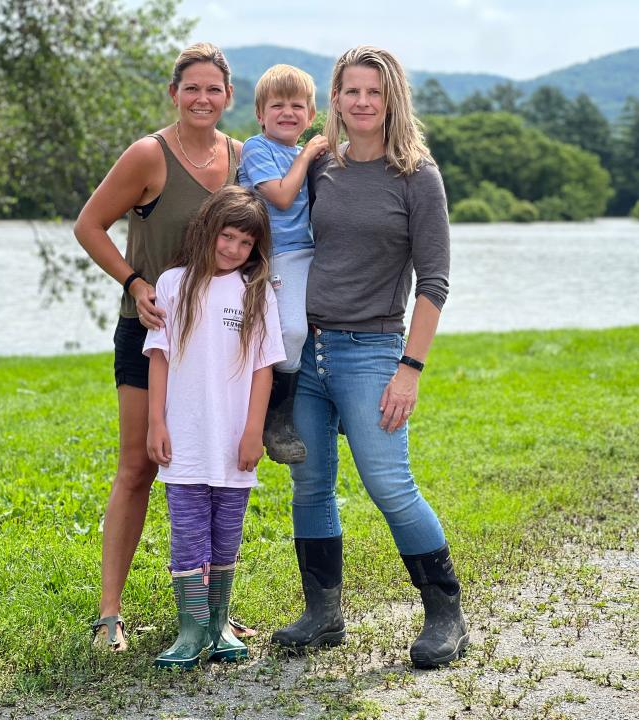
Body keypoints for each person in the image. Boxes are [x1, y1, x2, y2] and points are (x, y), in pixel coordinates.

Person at [269, 46, 470, 669]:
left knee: (389, 483)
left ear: (392, 100)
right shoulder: (321, 165)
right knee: (311, 486)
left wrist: (409, 369)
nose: (361, 102)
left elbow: (434, 282)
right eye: (350, 91)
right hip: (308, 350)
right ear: (335, 98)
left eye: (374, 93)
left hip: (373, 351)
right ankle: (322, 614)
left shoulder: (418, 176)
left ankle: (446, 616)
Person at [74, 42, 243, 652]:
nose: (202, 99)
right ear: (174, 93)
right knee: (140, 465)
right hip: (148, 333)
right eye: (191, 88)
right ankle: (110, 615)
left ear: (229, 97)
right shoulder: (150, 154)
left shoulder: (242, 157)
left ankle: (212, 612)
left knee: (215, 470)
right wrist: (135, 281)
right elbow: (89, 226)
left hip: (217, 348)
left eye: (214, 90)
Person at [143, 185, 285, 669]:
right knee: (187, 534)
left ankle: (219, 623)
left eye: (245, 243)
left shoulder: (255, 291)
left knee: (226, 534)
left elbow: (264, 368)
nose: (233, 250)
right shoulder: (172, 284)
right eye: (227, 237)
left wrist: (253, 431)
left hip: (233, 440)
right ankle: (190, 629)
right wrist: (156, 421)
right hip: (184, 436)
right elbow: (159, 358)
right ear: (208, 231)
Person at [239, 64, 329, 465]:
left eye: (297, 105)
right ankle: (275, 417)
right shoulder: (257, 148)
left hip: (307, 251)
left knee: (327, 319)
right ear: (261, 113)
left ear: (310, 115)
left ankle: (335, 401)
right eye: (278, 105)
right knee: (291, 330)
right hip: (274, 253)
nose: (288, 112)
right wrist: (309, 152)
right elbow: (280, 196)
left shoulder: (300, 155)